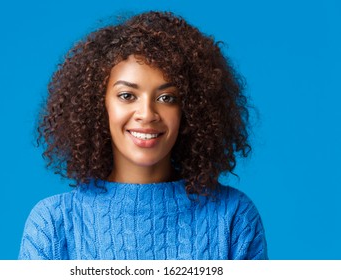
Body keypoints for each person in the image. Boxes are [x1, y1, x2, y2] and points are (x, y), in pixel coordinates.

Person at [19, 11, 268, 260]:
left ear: (189, 110)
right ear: (99, 104)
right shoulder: (53, 225)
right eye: (127, 96)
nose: (147, 114)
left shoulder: (234, 217)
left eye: (166, 98)